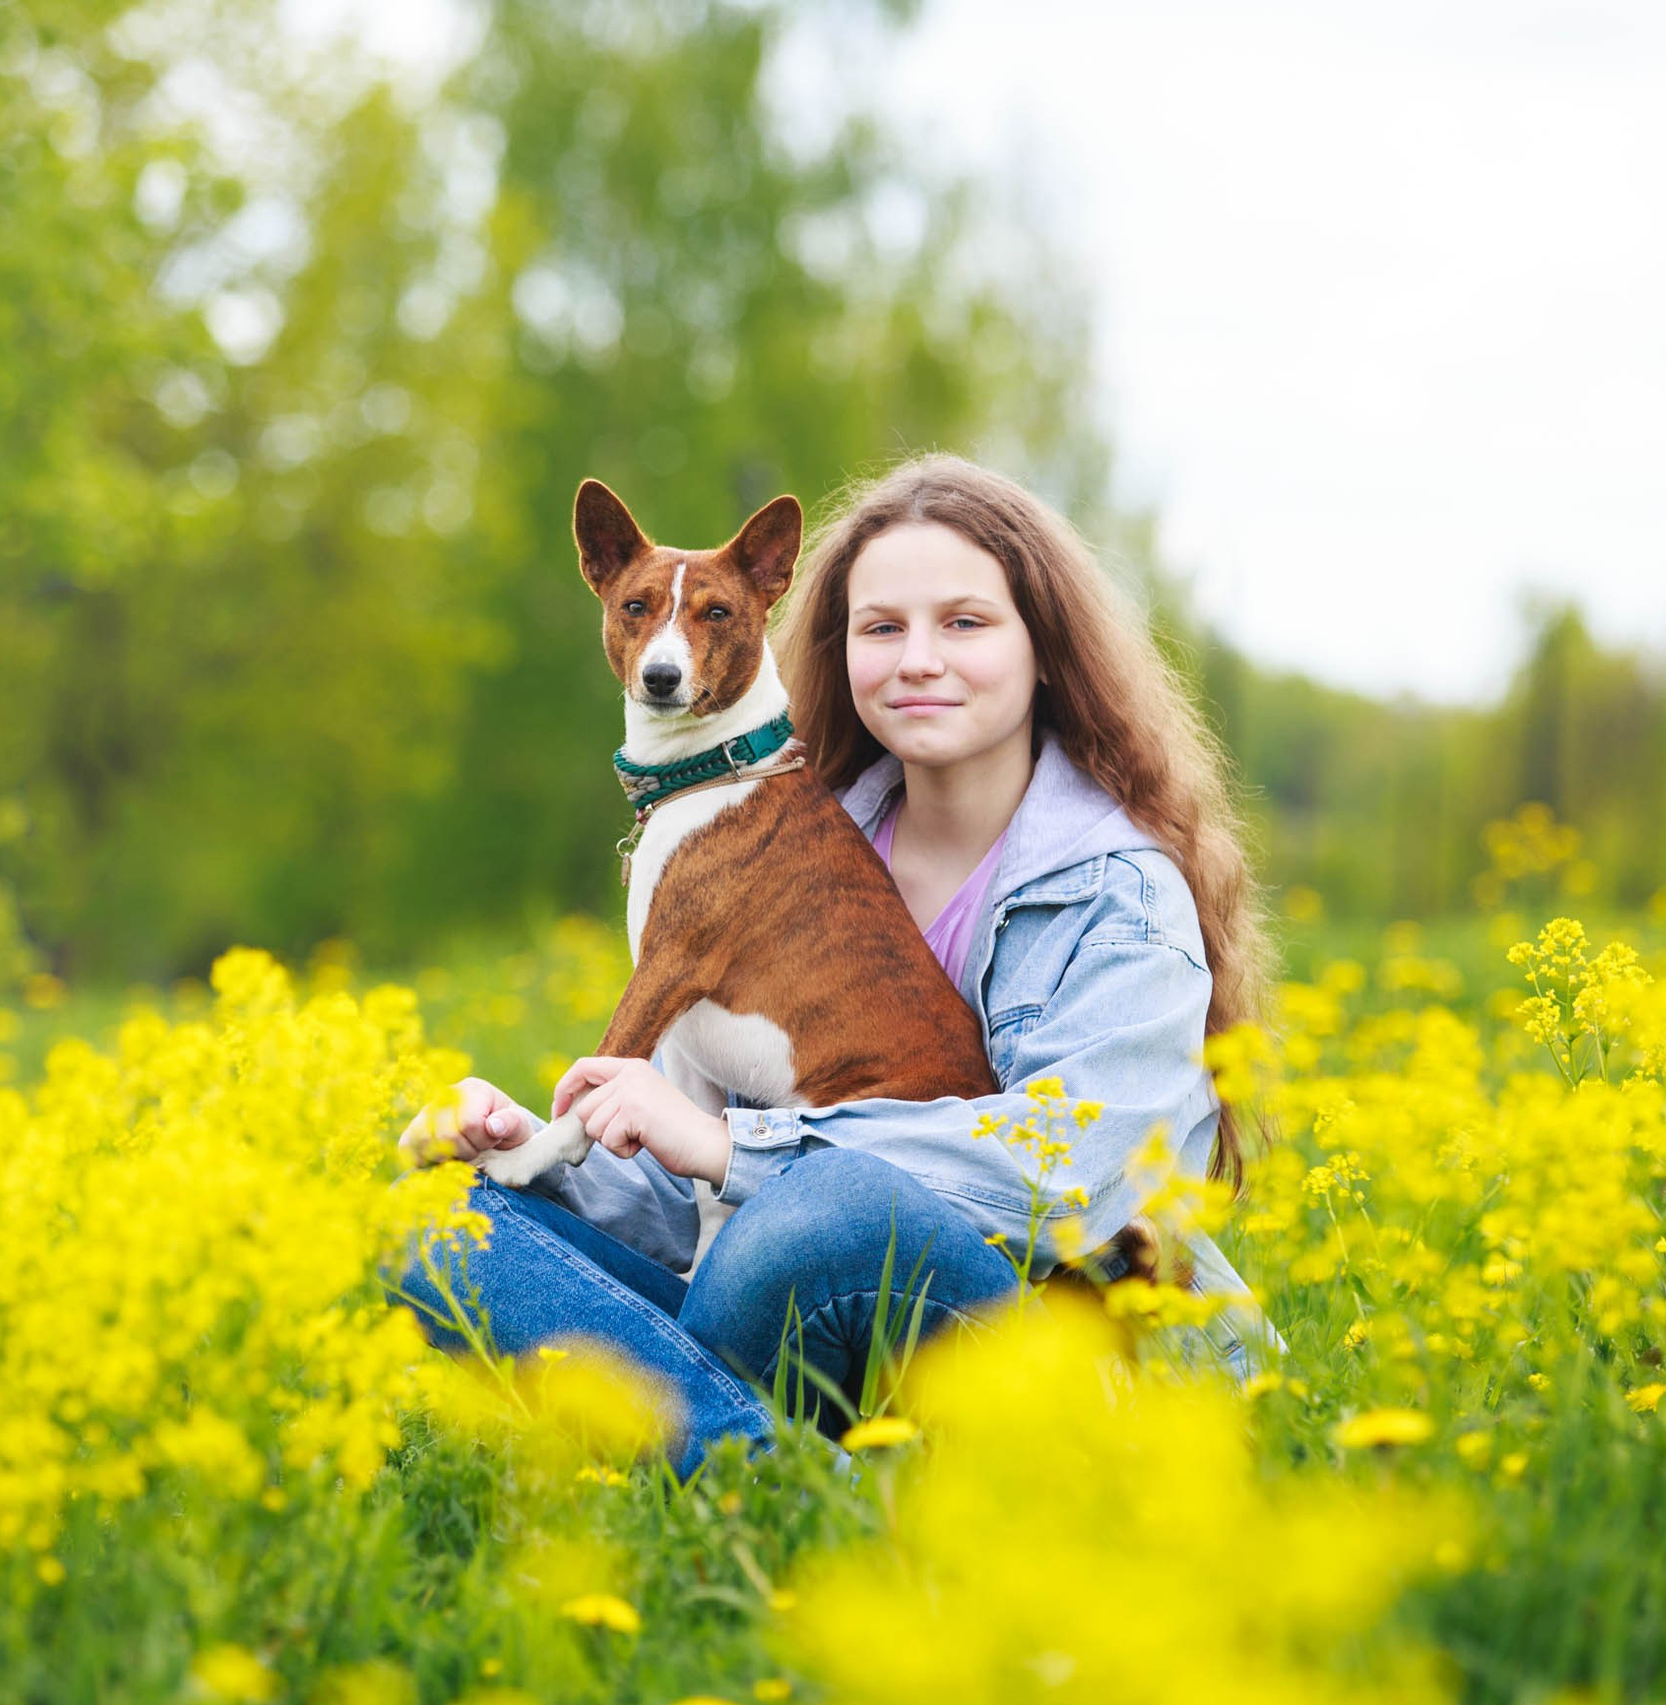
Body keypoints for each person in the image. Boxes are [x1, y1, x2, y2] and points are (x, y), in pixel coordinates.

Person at [398, 454, 1277, 1474]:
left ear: (1045, 645)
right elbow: (681, 1186)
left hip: (1050, 1344)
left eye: (964, 622)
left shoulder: (1114, 893)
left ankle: (714, 1450)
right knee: (434, 1218)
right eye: (881, 626)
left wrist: (741, 1150)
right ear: (837, 645)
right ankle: (781, 1479)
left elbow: (1072, 1175)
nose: (917, 658)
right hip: (782, 1305)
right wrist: (532, 1150)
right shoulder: (770, 847)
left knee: (819, 1217)